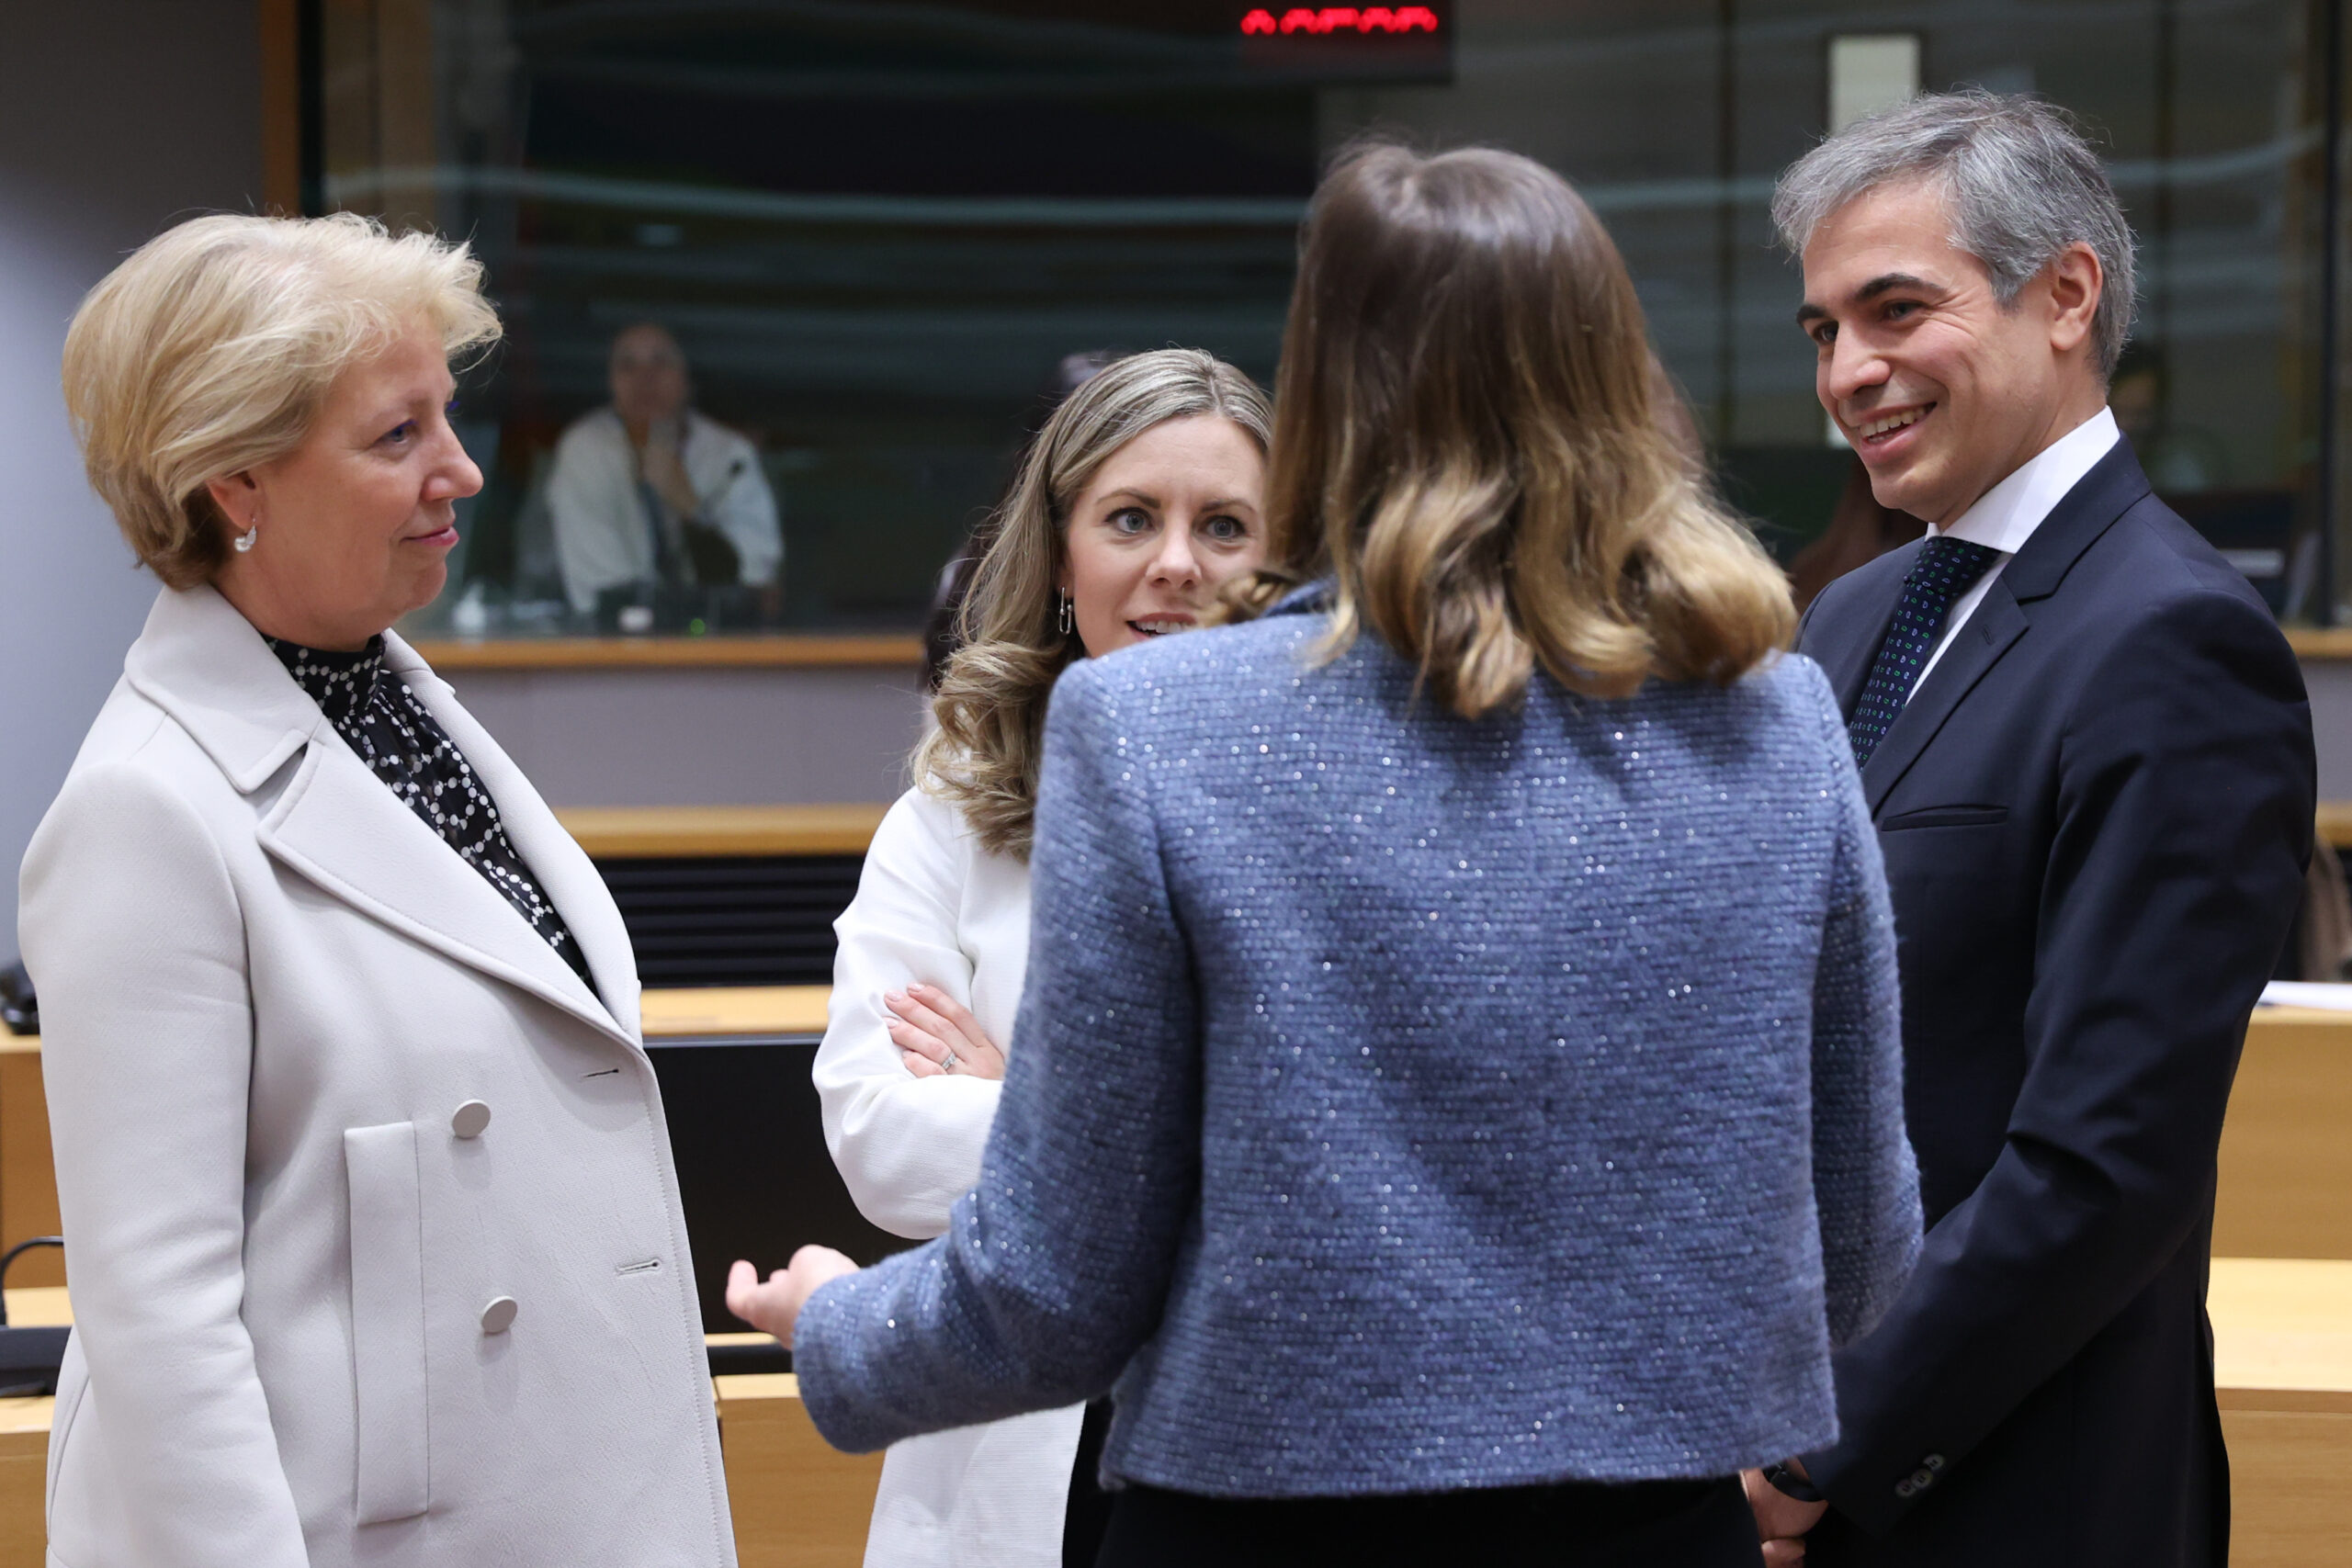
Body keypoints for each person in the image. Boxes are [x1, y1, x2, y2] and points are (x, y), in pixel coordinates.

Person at [732, 142, 1922, 1566]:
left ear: (1325, 393)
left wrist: (838, 1326)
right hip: (1654, 1528)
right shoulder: (1778, 716)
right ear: (1616, 375)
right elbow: (1859, 1251)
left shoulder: (1162, 727)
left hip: (1258, 1527)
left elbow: (1059, 1283)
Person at [26, 213, 736, 1567]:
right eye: (396, 435)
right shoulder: (144, 808)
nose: (461, 471)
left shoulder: (390, 701)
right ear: (233, 479)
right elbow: (161, 1326)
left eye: (447, 418)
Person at [1757, 92, 2313, 1567]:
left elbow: (2101, 1163)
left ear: (2065, 293)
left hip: (2008, 1488)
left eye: (1893, 310)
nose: (1849, 372)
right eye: (1822, 331)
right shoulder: (1854, 615)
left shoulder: (2177, 639)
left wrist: (1822, 1444)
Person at [815, 347, 1273, 1568]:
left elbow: (1356, 1156)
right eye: (1132, 517)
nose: (1176, 562)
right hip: (1011, 1463)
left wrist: (1025, 1097)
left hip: (1258, 1452)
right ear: (1064, 558)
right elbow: (875, 1132)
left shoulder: (1341, 813)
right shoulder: (948, 820)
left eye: (1223, 524)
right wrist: (1195, 1140)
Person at [546, 321, 782, 618]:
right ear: (611, 384)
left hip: (721, 647)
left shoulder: (728, 453)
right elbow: (600, 593)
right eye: (627, 365)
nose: (645, 378)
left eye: (661, 361)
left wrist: (689, 506)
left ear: (687, 379)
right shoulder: (586, 449)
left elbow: (753, 581)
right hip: (619, 651)